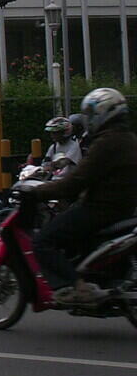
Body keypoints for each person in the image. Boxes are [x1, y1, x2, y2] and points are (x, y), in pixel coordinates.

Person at [28, 88, 137, 305]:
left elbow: (76, 181)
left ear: (103, 114)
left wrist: (38, 192)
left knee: (43, 241)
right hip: (123, 208)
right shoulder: (128, 139)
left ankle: (74, 287)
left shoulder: (107, 143)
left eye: (90, 114)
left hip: (100, 208)